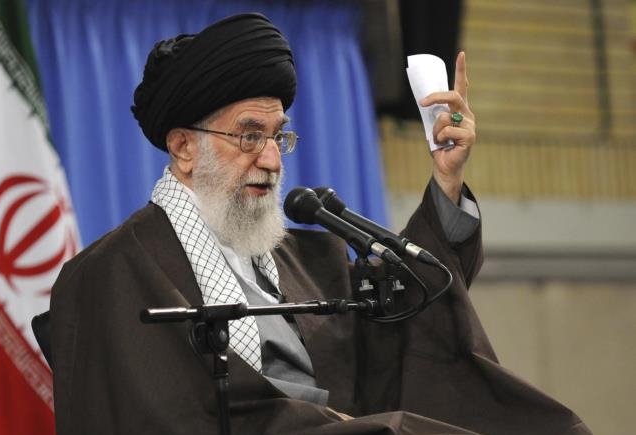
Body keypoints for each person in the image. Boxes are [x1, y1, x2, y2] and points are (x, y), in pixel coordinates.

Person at [49, 12, 591, 435]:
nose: (271, 159)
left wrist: (446, 181)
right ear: (184, 148)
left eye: (278, 136)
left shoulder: (310, 258)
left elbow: (406, 327)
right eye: (249, 135)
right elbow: (162, 416)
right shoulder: (111, 272)